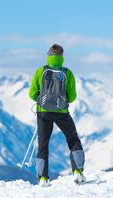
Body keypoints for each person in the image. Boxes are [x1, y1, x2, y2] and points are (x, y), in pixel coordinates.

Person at [29, 44, 86, 186]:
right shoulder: (68, 73)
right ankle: (77, 171)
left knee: (43, 143)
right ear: (62, 57)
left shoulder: (40, 71)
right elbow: (72, 97)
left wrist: (41, 100)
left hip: (43, 112)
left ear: (48, 55)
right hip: (62, 112)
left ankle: (42, 178)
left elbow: (32, 93)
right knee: (73, 139)